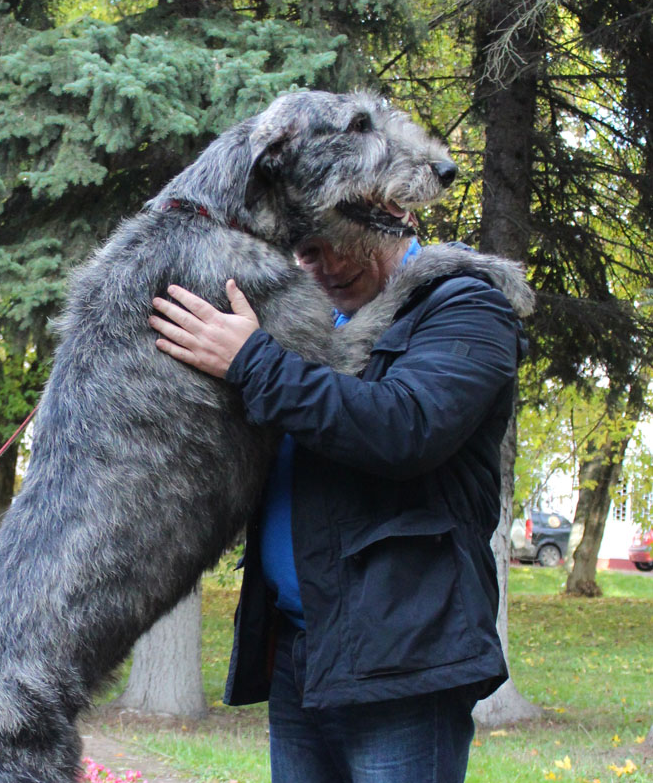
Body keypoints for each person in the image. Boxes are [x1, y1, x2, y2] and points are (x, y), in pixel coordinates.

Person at [148, 231, 525, 783]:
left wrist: (253, 362)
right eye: (307, 251)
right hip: (303, 651)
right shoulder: (312, 323)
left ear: (393, 212)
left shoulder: (466, 305)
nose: (324, 267)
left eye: (339, 244)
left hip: (404, 658)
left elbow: (406, 427)